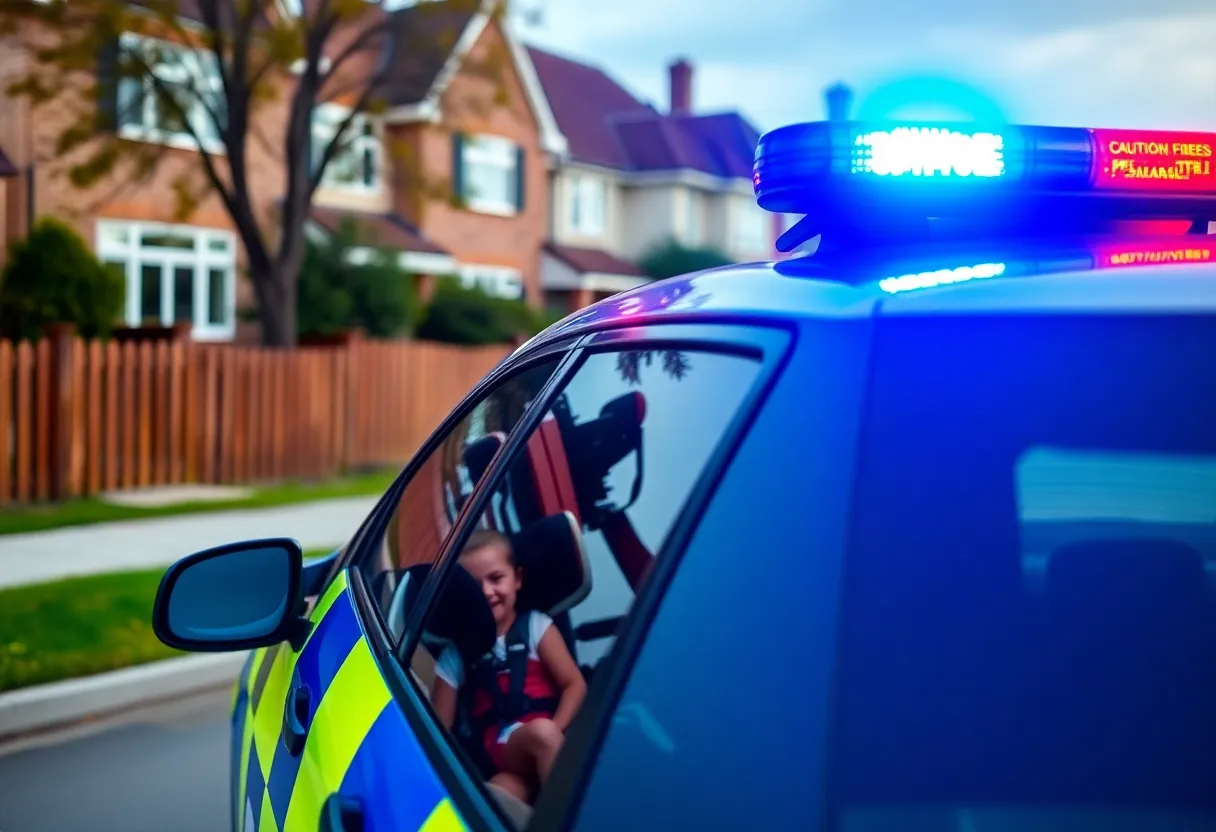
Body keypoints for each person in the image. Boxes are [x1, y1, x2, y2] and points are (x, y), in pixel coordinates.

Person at [432, 529, 587, 805]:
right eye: (473, 585)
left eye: (496, 578)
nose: (486, 592)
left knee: (503, 796)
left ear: (517, 579)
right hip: (502, 753)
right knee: (498, 789)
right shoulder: (457, 653)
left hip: (545, 739)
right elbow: (436, 730)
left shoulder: (536, 627)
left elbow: (574, 685)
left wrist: (554, 732)